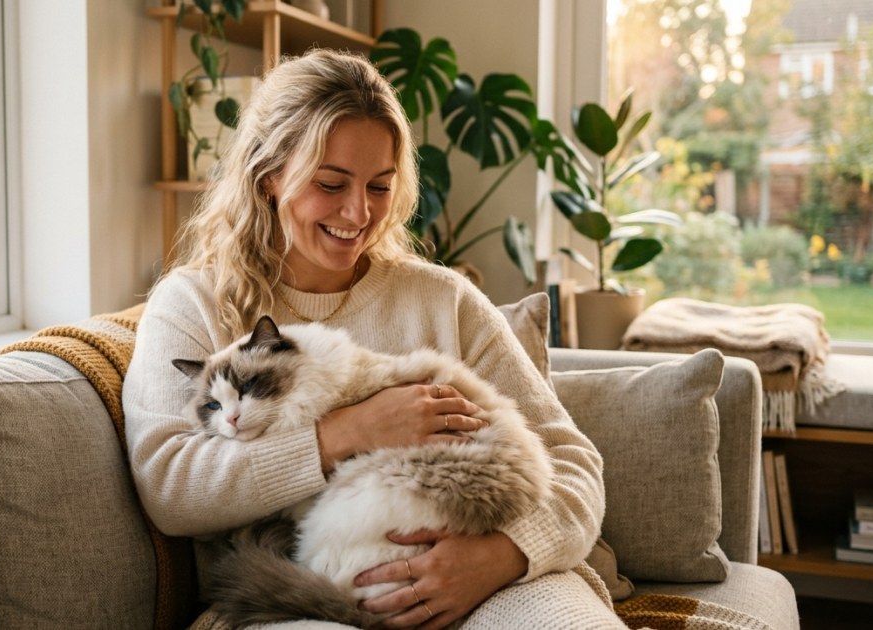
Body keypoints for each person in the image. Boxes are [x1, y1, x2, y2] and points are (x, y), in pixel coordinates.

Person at [123, 49, 620, 629]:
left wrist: (505, 555)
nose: (357, 212)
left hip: (493, 579)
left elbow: (571, 460)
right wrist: (345, 433)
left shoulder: (443, 300)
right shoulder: (193, 305)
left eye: (380, 187)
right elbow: (170, 485)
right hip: (313, 591)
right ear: (268, 179)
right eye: (331, 183)